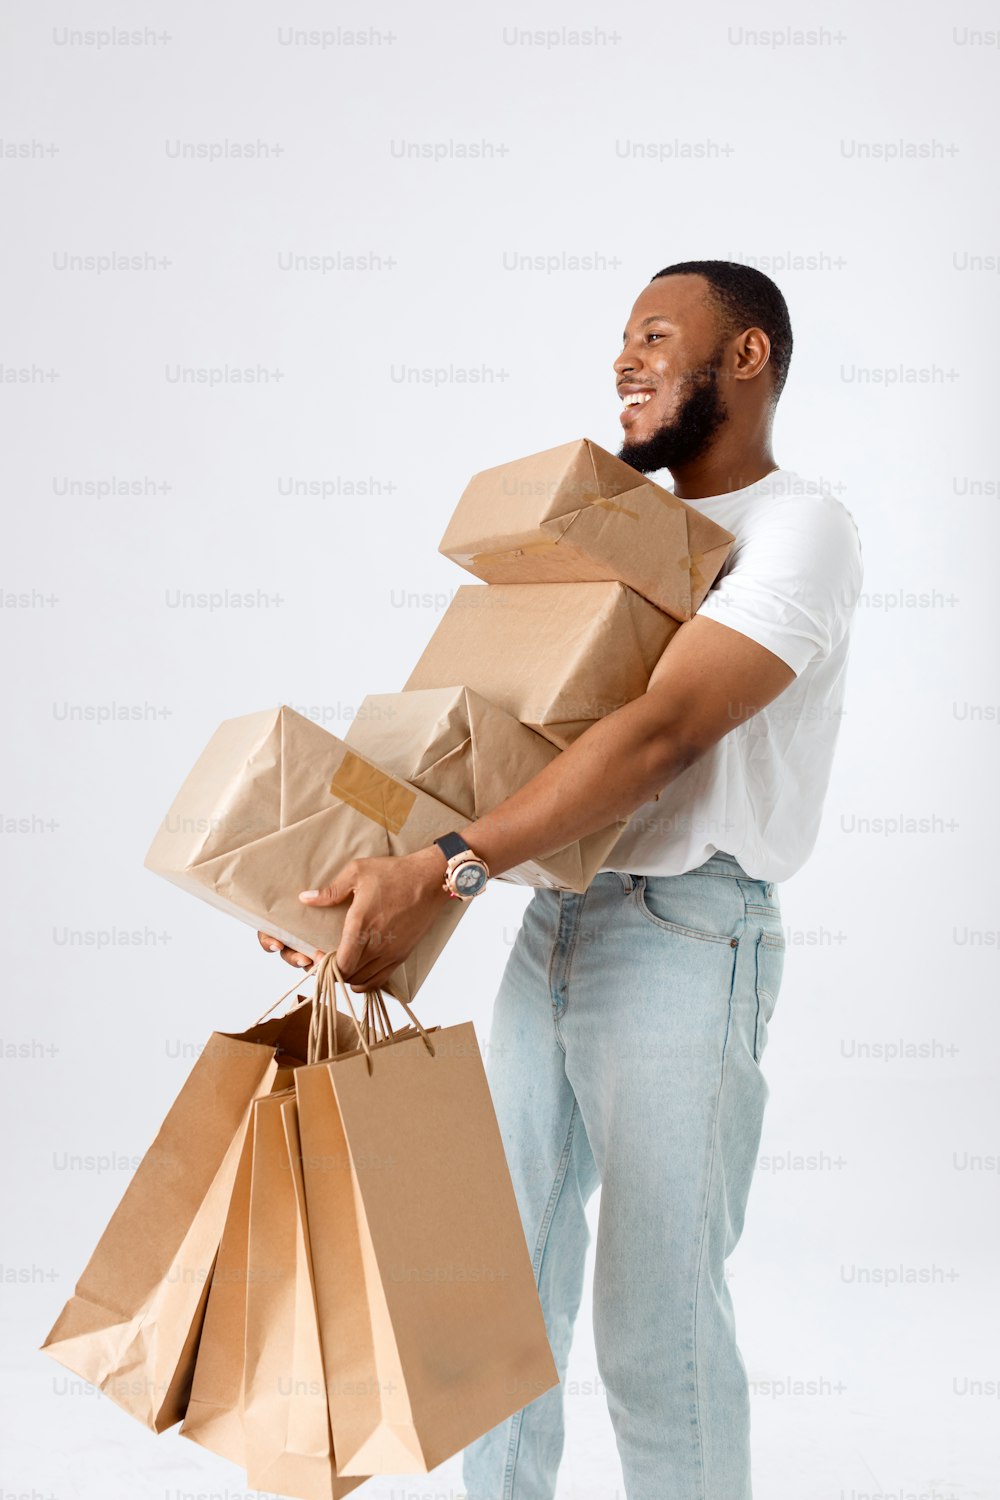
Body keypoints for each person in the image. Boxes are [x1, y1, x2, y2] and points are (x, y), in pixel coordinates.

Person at [258, 259, 864, 1500]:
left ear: (745, 356)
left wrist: (441, 870)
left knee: (656, 1322)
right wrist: (357, 886)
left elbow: (658, 737)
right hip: (557, 925)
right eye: (619, 341)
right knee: (498, 1300)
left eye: (654, 335)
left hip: (689, 936)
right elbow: (499, 743)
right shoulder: (620, 549)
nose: (623, 362)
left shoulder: (799, 526)